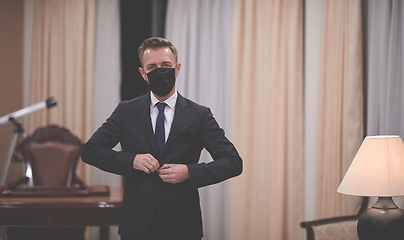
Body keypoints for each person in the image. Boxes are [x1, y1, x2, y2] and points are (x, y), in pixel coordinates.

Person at [81, 37, 243, 240]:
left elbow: (233, 163)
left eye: (166, 65)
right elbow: (90, 150)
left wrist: (189, 172)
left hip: (183, 224)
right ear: (143, 73)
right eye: (152, 67)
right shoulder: (126, 111)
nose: (160, 70)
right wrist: (131, 160)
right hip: (137, 224)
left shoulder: (199, 115)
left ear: (177, 68)